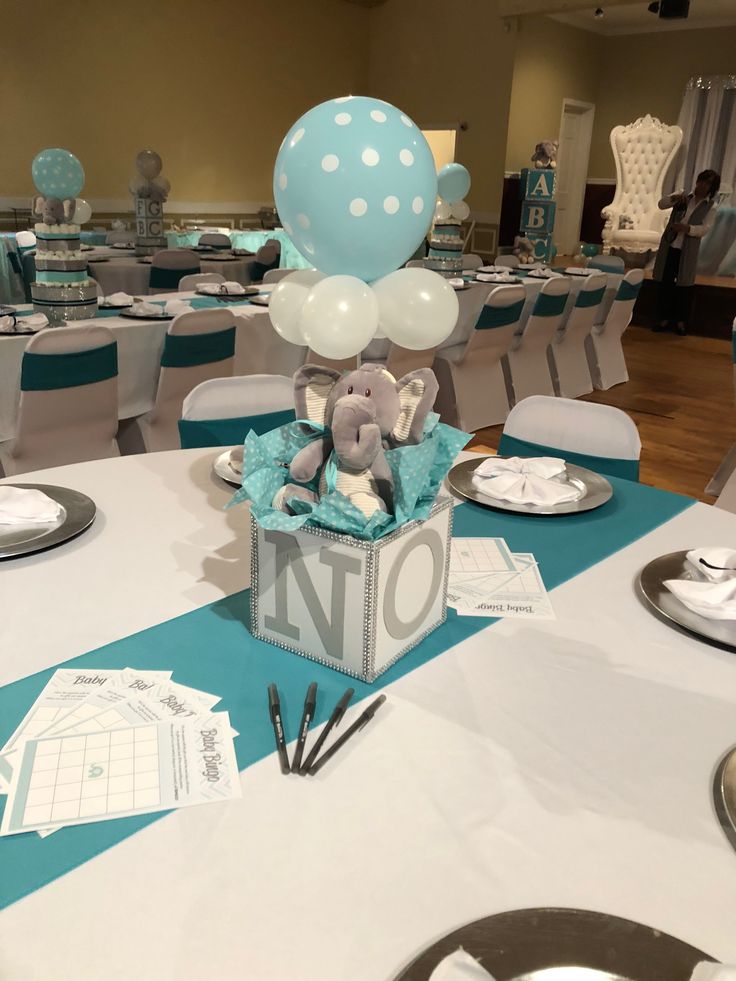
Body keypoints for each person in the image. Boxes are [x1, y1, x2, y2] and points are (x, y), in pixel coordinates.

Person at [652, 169, 720, 335]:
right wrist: (675, 198)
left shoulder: (711, 206)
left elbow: (705, 229)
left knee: (684, 286)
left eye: (707, 183)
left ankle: (681, 322)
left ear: (712, 187)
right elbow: (661, 205)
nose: (702, 185)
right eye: (701, 181)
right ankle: (663, 319)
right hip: (671, 245)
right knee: (666, 282)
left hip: (687, 249)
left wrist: (687, 228)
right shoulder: (683, 196)